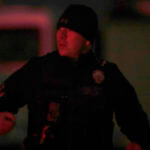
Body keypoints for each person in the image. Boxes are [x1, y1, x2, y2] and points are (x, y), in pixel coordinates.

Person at [0, 4, 149, 150]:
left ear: (87, 41)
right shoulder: (39, 69)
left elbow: (133, 116)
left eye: (70, 30)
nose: (62, 35)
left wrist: (140, 141)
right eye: (60, 29)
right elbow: (7, 96)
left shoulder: (107, 75)